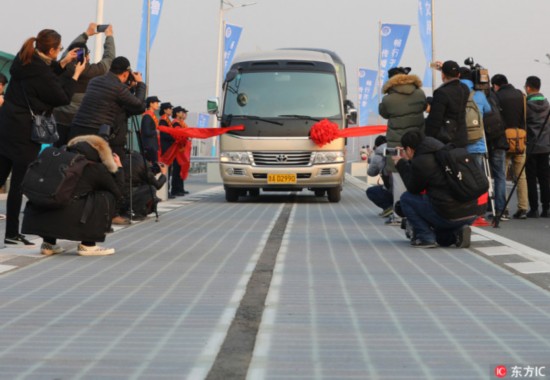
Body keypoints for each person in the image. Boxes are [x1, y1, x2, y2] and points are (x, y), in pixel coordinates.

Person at [0, 29, 85, 247]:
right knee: (19, 183)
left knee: (1, 175)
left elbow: (43, 79)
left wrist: (63, 63)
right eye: (59, 49)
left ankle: (11, 232)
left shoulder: (24, 59)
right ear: (52, 50)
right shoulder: (41, 72)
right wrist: (74, 75)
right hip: (23, 131)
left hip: (6, 124)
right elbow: (61, 96)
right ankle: (11, 233)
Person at [22, 135, 124, 256]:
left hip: (38, 216)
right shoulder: (95, 167)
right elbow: (119, 193)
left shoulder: (58, 159)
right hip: (70, 219)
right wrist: (119, 168)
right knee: (105, 196)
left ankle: (48, 244)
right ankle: (88, 245)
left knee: (57, 194)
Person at [393, 131, 483, 248]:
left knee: (406, 199)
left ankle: (426, 237)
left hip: (448, 214)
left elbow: (413, 188)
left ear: (409, 149)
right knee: (442, 238)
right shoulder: (445, 150)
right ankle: (457, 233)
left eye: (404, 150)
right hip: (471, 212)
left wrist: (401, 164)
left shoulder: (422, 160)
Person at [53, 23, 115, 147]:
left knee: (57, 151)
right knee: (75, 154)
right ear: (86, 57)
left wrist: (86, 34)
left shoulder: (62, 66)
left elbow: (67, 52)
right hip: (80, 121)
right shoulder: (94, 72)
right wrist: (109, 36)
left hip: (58, 118)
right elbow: (109, 58)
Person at [378, 66, 426, 226]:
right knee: (419, 176)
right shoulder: (419, 93)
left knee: (398, 178)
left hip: (397, 142)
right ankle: (419, 211)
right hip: (417, 140)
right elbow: (423, 107)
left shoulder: (388, 99)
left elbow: (383, 112)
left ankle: (398, 215)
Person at [69, 56, 146, 139]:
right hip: (95, 132)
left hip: (76, 127)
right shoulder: (119, 88)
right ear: (126, 74)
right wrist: (140, 83)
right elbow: (138, 103)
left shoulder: (94, 80)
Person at [491, 73, 528, 219]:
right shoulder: (520, 95)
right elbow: (524, 117)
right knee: (521, 175)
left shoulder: (497, 96)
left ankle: (503, 208)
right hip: (520, 137)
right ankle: (523, 208)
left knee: (501, 174)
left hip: (504, 140)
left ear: (496, 85)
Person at [425, 60, 470, 148]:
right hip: (461, 136)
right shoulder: (465, 89)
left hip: (446, 139)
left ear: (443, 75)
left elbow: (435, 119)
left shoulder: (441, 92)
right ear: (459, 75)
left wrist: (428, 137)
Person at [523, 76, 550, 218]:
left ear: (528, 88)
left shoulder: (526, 105)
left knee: (531, 178)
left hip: (531, 147)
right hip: (545, 146)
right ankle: (547, 208)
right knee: (545, 178)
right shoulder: (547, 104)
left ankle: (534, 209)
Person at [120, 151, 167, 219]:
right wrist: (163, 174)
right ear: (151, 161)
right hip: (127, 194)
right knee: (151, 189)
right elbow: (157, 185)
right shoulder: (145, 166)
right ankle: (138, 212)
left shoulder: (135, 157)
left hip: (121, 191)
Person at [365, 135, 393, 217]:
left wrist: (372, 160)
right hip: (402, 187)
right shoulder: (396, 150)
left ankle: (388, 207)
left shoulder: (378, 155)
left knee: (370, 191)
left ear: (376, 145)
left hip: (390, 189)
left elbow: (371, 173)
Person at [166, 106, 191, 196]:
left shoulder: (180, 123)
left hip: (181, 149)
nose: (183, 114)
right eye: (182, 112)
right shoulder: (176, 123)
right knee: (176, 170)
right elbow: (179, 135)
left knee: (180, 169)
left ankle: (180, 188)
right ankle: (175, 189)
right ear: (177, 113)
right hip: (177, 150)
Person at [141, 96, 161, 169]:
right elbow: (146, 132)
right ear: (151, 104)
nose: (157, 105)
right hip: (149, 146)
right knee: (152, 168)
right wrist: (156, 132)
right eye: (156, 103)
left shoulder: (152, 115)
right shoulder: (147, 116)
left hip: (152, 146)